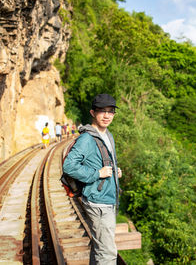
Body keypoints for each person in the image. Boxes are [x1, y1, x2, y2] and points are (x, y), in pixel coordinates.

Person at [63, 93, 122, 265]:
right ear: (92, 113)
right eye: (102, 111)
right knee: (108, 253)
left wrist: (114, 170)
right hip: (98, 202)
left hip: (107, 198)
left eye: (110, 111)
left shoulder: (107, 135)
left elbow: (102, 160)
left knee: (100, 248)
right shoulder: (87, 138)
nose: (106, 115)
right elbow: (69, 166)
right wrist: (97, 173)